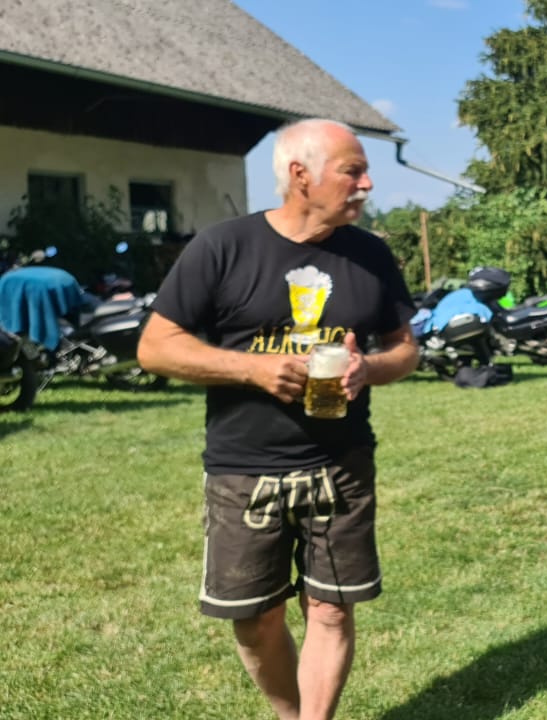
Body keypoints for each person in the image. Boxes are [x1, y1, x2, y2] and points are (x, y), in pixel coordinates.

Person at [137, 118, 419, 720]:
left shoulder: (370, 254)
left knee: (332, 608)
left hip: (341, 463)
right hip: (245, 468)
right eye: (352, 171)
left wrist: (369, 368)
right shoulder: (223, 246)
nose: (367, 184)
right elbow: (155, 348)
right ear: (300, 175)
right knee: (255, 619)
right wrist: (252, 369)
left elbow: (405, 348)